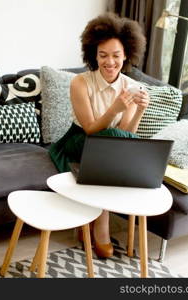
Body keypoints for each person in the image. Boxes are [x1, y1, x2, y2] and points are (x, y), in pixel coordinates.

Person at [49, 12, 149, 258]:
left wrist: (139, 112)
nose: (110, 62)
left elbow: (127, 134)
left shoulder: (131, 87)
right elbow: (91, 128)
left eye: (116, 55)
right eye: (103, 55)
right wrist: (115, 108)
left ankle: (93, 225)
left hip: (110, 146)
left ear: (126, 55)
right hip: (80, 140)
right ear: (94, 54)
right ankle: (101, 227)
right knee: (114, 146)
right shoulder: (80, 83)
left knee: (121, 145)